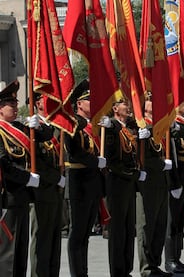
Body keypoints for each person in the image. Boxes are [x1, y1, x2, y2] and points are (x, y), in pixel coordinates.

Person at [100, 98, 148, 277]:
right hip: (117, 181)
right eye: (124, 105)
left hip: (129, 181)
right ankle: (117, 271)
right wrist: (133, 174)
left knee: (129, 228)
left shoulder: (128, 128)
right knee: (117, 230)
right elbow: (111, 159)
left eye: (128, 105)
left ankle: (126, 269)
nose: (128, 108)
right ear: (115, 108)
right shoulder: (111, 126)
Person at [65, 79, 106, 277]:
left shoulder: (94, 125)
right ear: (79, 103)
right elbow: (74, 151)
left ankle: (84, 271)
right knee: (77, 233)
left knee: (86, 234)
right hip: (79, 181)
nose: (93, 103)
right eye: (89, 100)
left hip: (92, 182)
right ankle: (76, 273)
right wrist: (94, 161)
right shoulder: (73, 124)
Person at [0, 80, 42, 276]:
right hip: (7, 198)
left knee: (21, 250)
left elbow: (47, 135)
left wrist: (38, 126)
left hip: (23, 198)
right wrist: (27, 178)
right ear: (1, 109)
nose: (16, 108)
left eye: (17, 105)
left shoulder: (19, 127)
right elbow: (4, 165)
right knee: (8, 253)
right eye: (12, 105)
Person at [136, 98, 174, 277]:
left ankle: (154, 263)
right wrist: (160, 165)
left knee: (160, 224)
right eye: (150, 100)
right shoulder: (140, 127)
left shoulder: (161, 128)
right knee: (146, 225)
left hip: (162, 182)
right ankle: (145, 267)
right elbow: (142, 157)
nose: (154, 102)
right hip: (148, 183)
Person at [30, 93, 66, 277]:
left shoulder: (56, 127)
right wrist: (55, 178)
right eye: (46, 98)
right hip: (41, 192)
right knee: (41, 238)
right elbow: (37, 164)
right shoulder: (33, 129)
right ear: (38, 103)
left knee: (54, 238)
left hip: (56, 192)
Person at [164, 102, 184, 274]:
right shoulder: (172, 123)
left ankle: (177, 257)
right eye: (182, 102)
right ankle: (169, 260)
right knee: (172, 221)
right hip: (177, 175)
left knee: (179, 220)